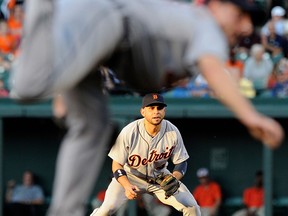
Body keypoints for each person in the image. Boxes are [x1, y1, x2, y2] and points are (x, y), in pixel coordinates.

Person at [10, 0, 284, 216]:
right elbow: (213, 70)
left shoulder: (193, 29)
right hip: (107, 20)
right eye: (241, 14)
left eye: (252, 19)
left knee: (92, 125)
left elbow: (181, 161)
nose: (248, 26)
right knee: (26, 88)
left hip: (108, 45)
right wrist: (252, 117)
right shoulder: (205, 24)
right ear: (215, 5)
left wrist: (68, 86)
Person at [90, 93, 200, 215]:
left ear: (164, 111)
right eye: (151, 108)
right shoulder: (129, 131)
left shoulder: (172, 131)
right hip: (130, 176)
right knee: (106, 209)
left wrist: (174, 178)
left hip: (159, 178)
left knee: (192, 207)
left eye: (159, 108)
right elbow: (116, 164)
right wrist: (126, 185)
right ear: (143, 111)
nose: (156, 111)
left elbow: (181, 162)